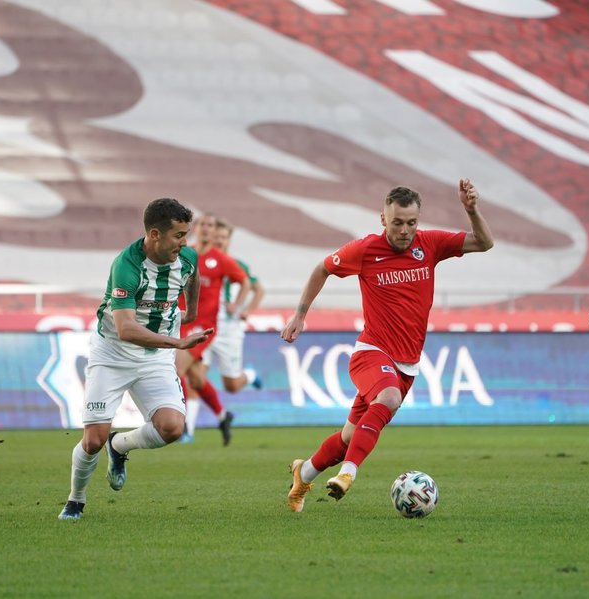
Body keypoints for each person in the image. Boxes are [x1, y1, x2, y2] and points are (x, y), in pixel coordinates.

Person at [282, 180, 494, 511]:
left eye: (411, 223)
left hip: (407, 364)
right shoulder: (365, 250)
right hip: (371, 352)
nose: (405, 230)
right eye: (397, 222)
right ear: (383, 219)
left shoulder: (431, 244)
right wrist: (300, 315)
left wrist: (471, 210)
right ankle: (348, 474)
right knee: (389, 398)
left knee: (349, 438)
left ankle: (304, 471)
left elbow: (484, 242)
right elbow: (323, 268)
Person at [58, 198, 212, 520]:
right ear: (155, 234)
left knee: (172, 428)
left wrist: (192, 311)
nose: (185, 243)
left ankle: (121, 446)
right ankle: (76, 499)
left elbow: (193, 274)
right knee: (92, 441)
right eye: (179, 236)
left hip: (154, 357)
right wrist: (178, 341)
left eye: (186, 235)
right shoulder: (126, 266)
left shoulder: (187, 257)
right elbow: (126, 328)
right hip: (112, 354)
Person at [182, 218, 264, 442]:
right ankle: (187, 429)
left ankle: (250, 375)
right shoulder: (197, 257)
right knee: (195, 377)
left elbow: (257, 288)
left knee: (231, 385)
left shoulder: (232, 263)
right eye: (216, 237)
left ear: (228, 240)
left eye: (223, 238)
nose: (218, 241)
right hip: (203, 327)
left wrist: (242, 309)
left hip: (228, 330)